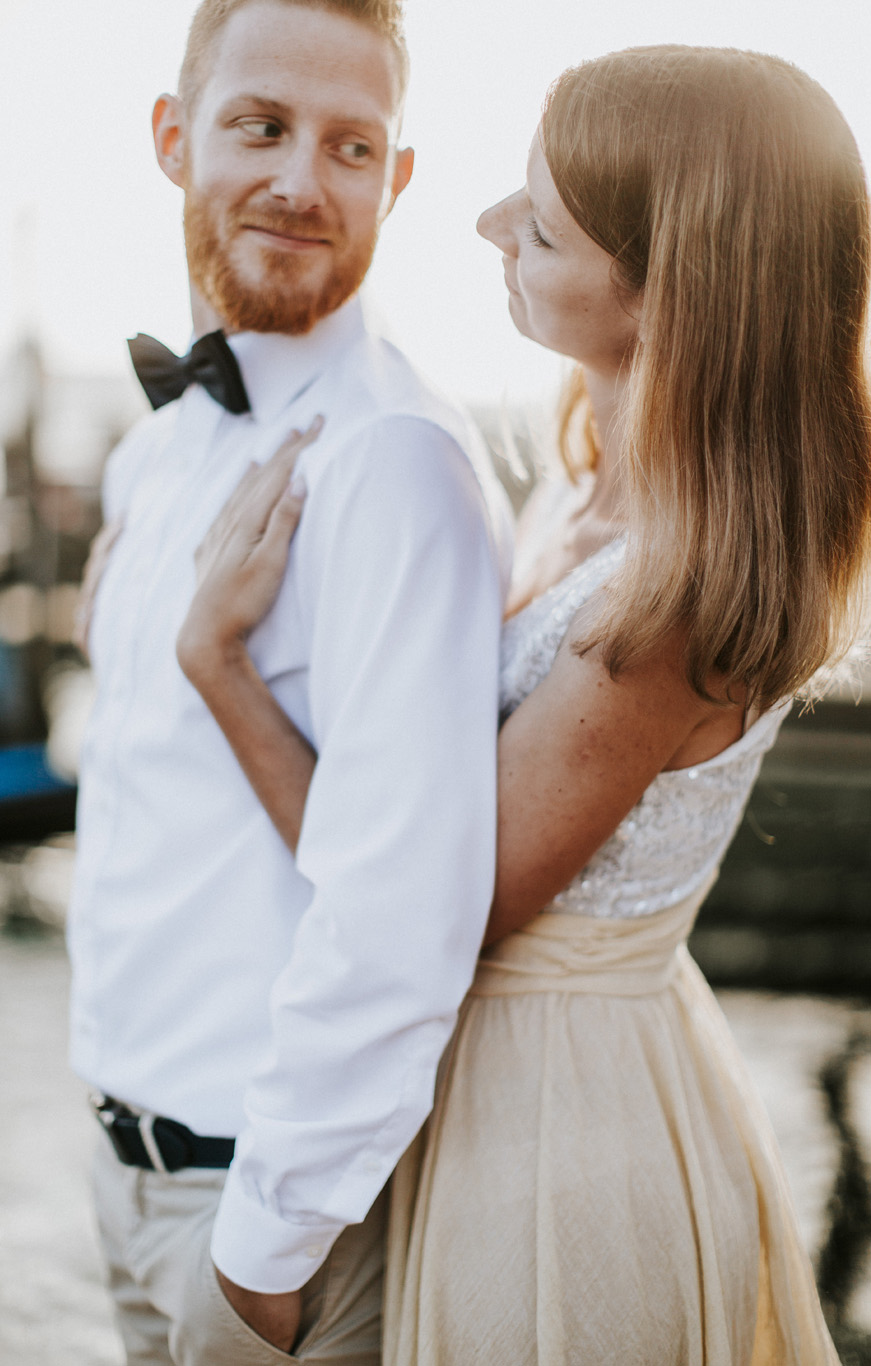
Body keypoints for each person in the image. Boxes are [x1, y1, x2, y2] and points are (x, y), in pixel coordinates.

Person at [177, 45, 871, 1364]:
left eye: (541, 225)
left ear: (672, 297)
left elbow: (436, 901)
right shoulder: (589, 481)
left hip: (553, 1134)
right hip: (505, 1075)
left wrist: (219, 667)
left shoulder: (669, 608)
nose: (492, 223)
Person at [68, 1, 511, 1363]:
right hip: (123, 1174)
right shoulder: (151, 457)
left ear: (401, 177)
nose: (302, 182)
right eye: (261, 125)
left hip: (267, 1224)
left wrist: (262, 1261)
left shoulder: (395, 464)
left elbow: (403, 903)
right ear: (171, 135)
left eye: (352, 145)